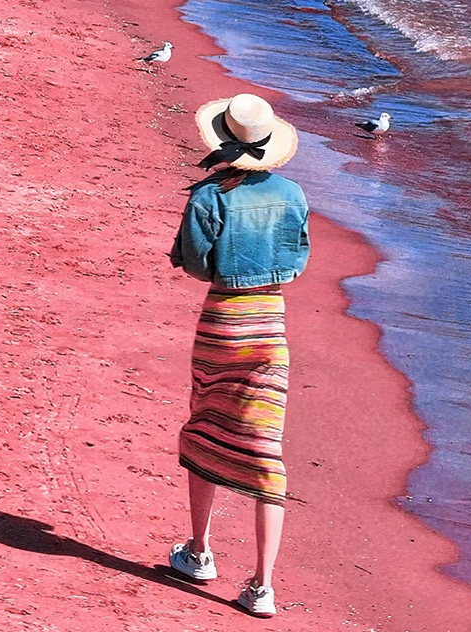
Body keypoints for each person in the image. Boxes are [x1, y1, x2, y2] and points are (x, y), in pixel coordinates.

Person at [168, 93, 310, 617]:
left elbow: (198, 265)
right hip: (269, 326)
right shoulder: (293, 193)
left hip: (222, 322)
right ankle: (262, 585)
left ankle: (200, 551)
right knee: (265, 448)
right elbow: (296, 265)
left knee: (206, 426)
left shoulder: (208, 195)